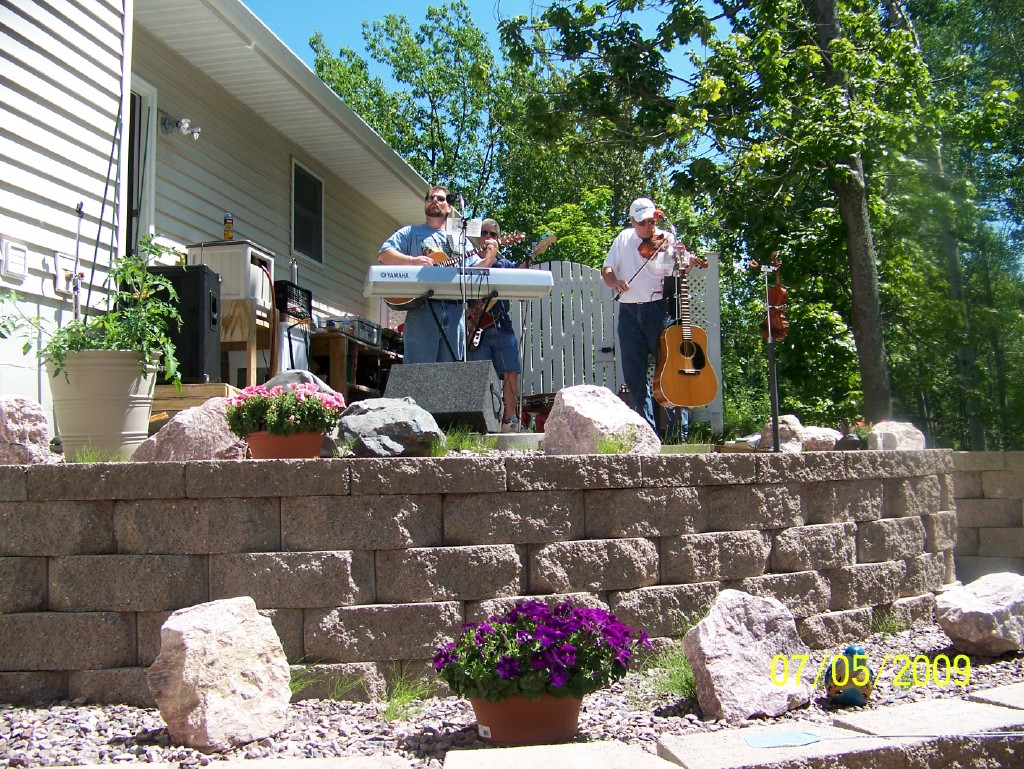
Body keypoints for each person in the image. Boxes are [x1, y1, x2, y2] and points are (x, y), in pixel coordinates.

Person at [602, 197, 687, 437]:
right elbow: (607, 269)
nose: (648, 227)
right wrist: (615, 282)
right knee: (634, 374)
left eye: (651, 221)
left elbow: (678, 271)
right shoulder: (623, 238)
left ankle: (678, 432)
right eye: (642, 223)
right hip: (629, 311)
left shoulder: (667, 239)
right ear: (632, 221)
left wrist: (682, 259)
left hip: (658, 309)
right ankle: (648, 433)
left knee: (670, 370)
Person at [378, 186, 481, 364]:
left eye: (440, 198)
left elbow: (477, 270)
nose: (434, 200)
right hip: (421, 308)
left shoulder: (460, 239)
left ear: (449, 207)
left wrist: (490, 255)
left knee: (450, 374)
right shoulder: (410, 232)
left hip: (455, 310)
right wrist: (413, 261)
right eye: (429, 197)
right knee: (418, 372)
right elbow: (384, 255)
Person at [467, 218, 522, 432]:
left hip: (501, 324)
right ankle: (480, 421)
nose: (488, 237)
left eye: (493, 234)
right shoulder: (469, 261)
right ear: (478, 237)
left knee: (510, 370)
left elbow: (520, 291)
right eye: (484, 233)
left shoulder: (505, 264)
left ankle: (510, 419)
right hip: (475, 328)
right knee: (478, 373)